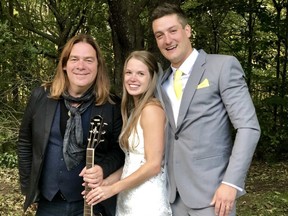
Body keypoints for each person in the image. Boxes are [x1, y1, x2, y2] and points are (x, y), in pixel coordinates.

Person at [151, 3, 261, 216]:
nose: (167, 40)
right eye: (159, 35)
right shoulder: (160, 82)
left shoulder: (222, 66)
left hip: (214, 195)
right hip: (172, 196)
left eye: (173, 31)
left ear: (187, 30)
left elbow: (248, 128)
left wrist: (231, 183)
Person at [17, 34, 124, 216]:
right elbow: (25, 143)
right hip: (48, 203)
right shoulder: (41, 97)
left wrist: (103, 169)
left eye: (89, 60)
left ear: (98, 66)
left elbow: (120, 150)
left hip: (92, 202)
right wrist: (29, 188)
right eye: (75, 59)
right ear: (65, 64)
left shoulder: (111, 105)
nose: (81, 66)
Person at [83, 50, 172, 216]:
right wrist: (105, 183)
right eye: (129, 72)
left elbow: (153, 165)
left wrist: (113, 189)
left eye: (140, 74)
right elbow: (133, 162)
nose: (133, 78)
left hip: (147, 200)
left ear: (152, 78)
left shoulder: (152, 110)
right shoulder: (135, 111)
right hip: (128, 197)